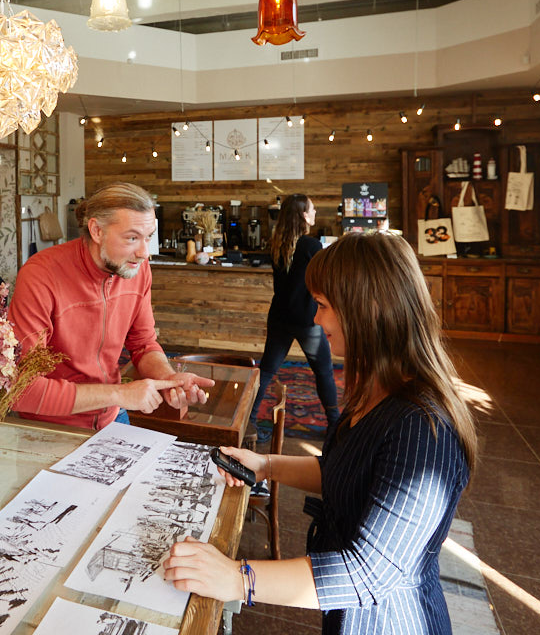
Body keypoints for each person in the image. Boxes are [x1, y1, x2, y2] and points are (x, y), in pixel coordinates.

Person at [163, 231, 477, 635]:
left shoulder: (422, 428)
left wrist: (237, 578)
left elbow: (367, 574)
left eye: (324, 306)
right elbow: (347, 472)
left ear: (370, 308)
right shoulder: (379, 387)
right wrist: (266, 465)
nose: (315, 318)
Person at [10, 182, 215, 429]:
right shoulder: (41, 275)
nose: (144, 253)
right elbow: (21, 390)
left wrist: (168, 378)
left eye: (148, 237)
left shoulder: (138, 269)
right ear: (96, 230)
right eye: (132, 238)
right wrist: (119, 394)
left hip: (111, 416)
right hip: (52, 426)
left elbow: (143, 344)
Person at [250, 194, 339, 438]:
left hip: (279, 316)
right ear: (303, 215)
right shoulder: (311, 246)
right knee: (323, 371)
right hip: (307, 320)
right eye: (312, 208)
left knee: (267, 370)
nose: (315, 212)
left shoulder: (277, 243)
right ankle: (335, 426)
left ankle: (249, 420)